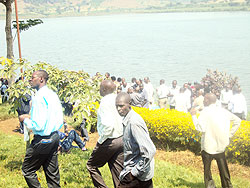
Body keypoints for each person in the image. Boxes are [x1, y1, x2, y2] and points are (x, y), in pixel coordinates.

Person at [19, 70, 63, 188]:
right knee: (52, 173)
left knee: (27, 170)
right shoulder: (52, 94)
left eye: (33, 77)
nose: (30, 80)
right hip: (54, 136)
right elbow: (58, 117)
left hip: (43, 139)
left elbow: (38, 125)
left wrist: (25, 120)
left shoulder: (38, 97)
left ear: (41, 79)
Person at [190, 93, 241, 188]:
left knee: (207, 171)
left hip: (208, 146)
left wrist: (193, 116)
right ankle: (227, 185)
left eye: (204, 99)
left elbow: (200, 127)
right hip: (221, 146)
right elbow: (238, 121)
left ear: (208, 100)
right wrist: (229, 135)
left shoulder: (205, 112)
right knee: (224, 170)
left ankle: (210, 186)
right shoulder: (223, 111)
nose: (203, 101)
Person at [87, 80, 124, 188]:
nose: (98, 90)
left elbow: (108, 126)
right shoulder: (118, 99)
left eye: (99, 88)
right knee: (117, 169)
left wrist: (101, 140)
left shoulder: (104, 102)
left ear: (103, 89)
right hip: (121, 139)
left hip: (110, 140)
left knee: (91, 165)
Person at [115, 92, 156, 188]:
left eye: (121, 106)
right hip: (138, 174)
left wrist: (133, 173)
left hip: (136, 175)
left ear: (129, 104)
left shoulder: (134, 122)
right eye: (116, 106)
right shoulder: (128, 119)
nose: (118, 109)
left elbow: (149, 151)